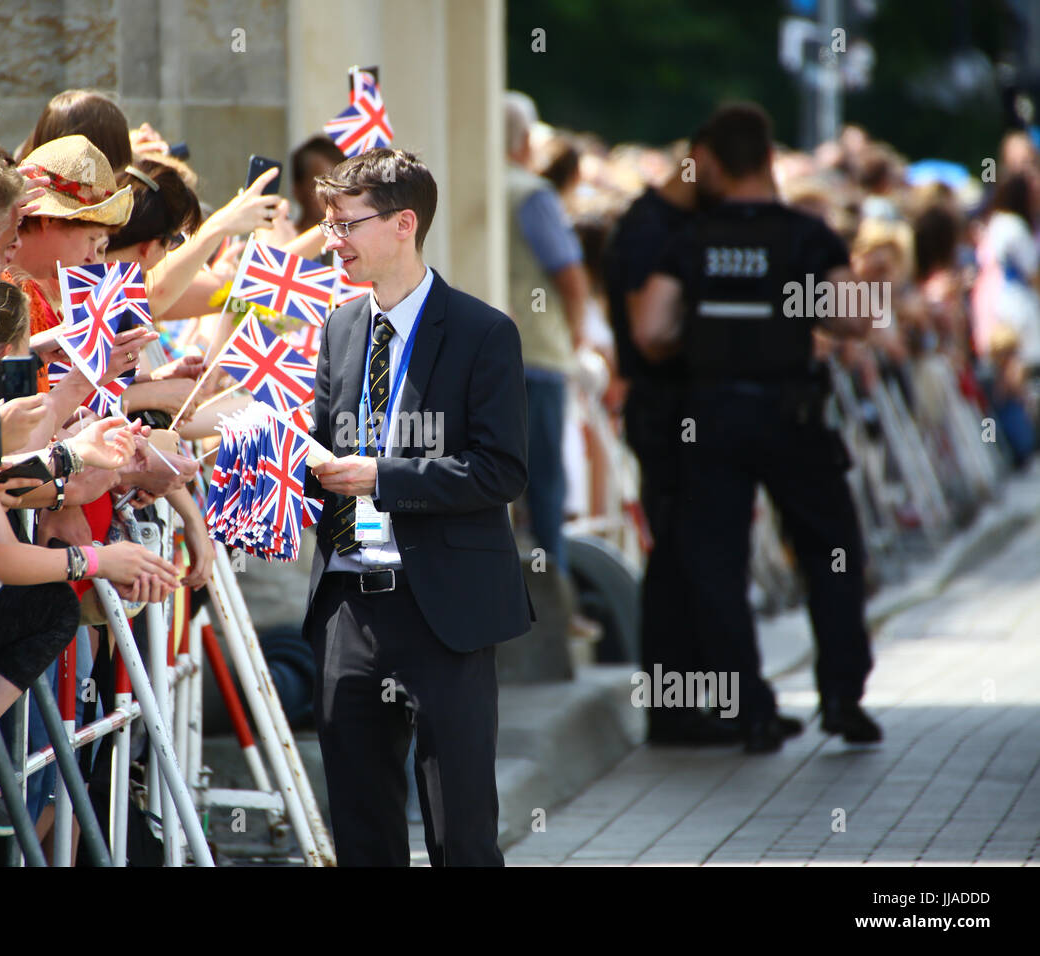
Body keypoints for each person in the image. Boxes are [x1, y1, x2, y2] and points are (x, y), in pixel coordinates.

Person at [305, 147, 532, 866]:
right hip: (349, 602)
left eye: (346, 224)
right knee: (362, 830)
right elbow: (319, 448)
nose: (332, 239)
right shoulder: (340, 327)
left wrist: (383, 476)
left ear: (404, 224)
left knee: (460, 829)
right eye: (330, 223)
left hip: (444, 608)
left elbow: (500, 471)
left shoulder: (482, 333)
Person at [635, 103, 882, 753]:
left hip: (711, 420)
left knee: (718, 564)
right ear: (770, 159)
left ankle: (750, 712)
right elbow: (853, 320)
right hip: (794, 417)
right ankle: (841, 696)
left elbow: (651, 330)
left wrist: (701, 339)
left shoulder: (690, 241)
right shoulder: (807, 235)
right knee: (832, 552)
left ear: (713, 163)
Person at [604, 132, 744, 746]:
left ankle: (708, 704)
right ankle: (676, 711)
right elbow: (648, 330)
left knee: (695, 558)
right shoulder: (648, 229)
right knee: (679, 562)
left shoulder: (671, 222)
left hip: (683, 411)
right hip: (666, 412)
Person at [504, 91, 590, 575]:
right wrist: (573, 340)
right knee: (546, 485)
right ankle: (553, 597)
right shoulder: (532, 193)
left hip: (495, 353)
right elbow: (571, 278)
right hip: (537, 354)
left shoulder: (470, 181)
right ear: (521, 141)